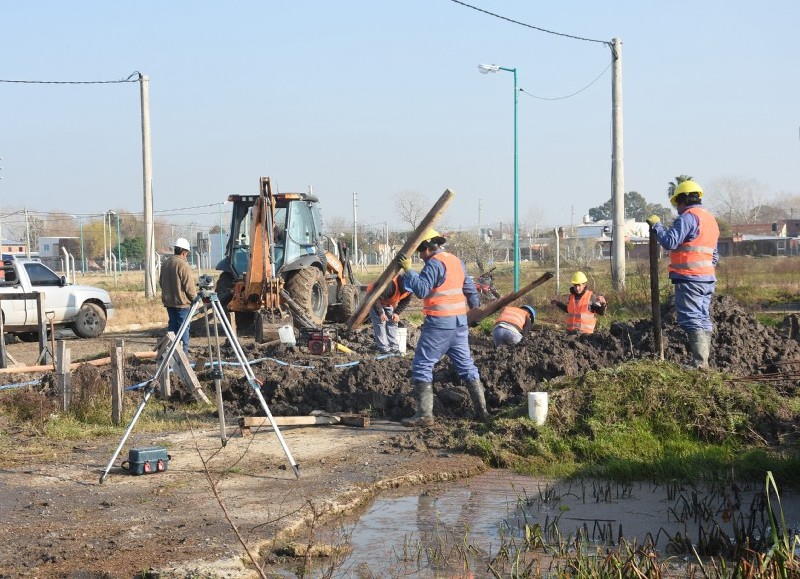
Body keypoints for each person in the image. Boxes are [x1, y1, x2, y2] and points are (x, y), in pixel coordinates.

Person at [397, 229, 486, 426]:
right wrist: (475, 312)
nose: (420, 255)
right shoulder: (456, 261)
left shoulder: (433, 265)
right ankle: (482, 413)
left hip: (438, 325)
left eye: (420, 251)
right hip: (459, 324)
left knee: (422, 365)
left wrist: (409, 270)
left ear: (427, 248)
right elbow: (470, 290)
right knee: (467, 367)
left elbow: (421, 290)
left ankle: (424, 415)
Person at [647, 179, 719, 368]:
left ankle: (699, 364)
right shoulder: (710, 220)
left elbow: (670, 241)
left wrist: (657, 226)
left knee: (691, 317)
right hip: (707, 278)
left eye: (676, 203)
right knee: (702, 317)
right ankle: (703, 363)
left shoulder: (688, 217)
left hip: (690, 278)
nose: (677, 208)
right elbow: (714, 255)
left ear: (683, 199)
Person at [159, 237, 197, 355]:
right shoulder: (183, 265)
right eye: (187, 254)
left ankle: (171, 350)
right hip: (182, 303)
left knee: (172, 325)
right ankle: (183, 352)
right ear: (184, 252)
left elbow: (161, 283)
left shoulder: (165, 264)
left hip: (169, 302)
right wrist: (195, 299)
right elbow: (189, 286)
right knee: (183, 327)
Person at [367, 273, 413, 354]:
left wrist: (396, 313)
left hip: (388, 302)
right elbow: (376, 298)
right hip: (374, 299)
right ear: (402, 283)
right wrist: (380, 313)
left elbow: (405, 301)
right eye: (405, 289)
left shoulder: (410, 289)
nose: (406, 291)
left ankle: (393, 347)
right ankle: (384, 348)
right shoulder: (390, 285)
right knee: (380, 323)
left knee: (393, 322)